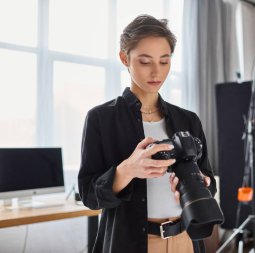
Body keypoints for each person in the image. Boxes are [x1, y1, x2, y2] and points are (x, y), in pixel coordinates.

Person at [78, 15, 217, 253]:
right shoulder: (101, 119)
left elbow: (209, 181)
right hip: (131, 243)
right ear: (125, 58)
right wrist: (126, 170)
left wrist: (204, 183)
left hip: (185, 240)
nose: (156, 72)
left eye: (164, 61)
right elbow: (90, 196)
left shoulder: (188, 120)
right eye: (145, 61)